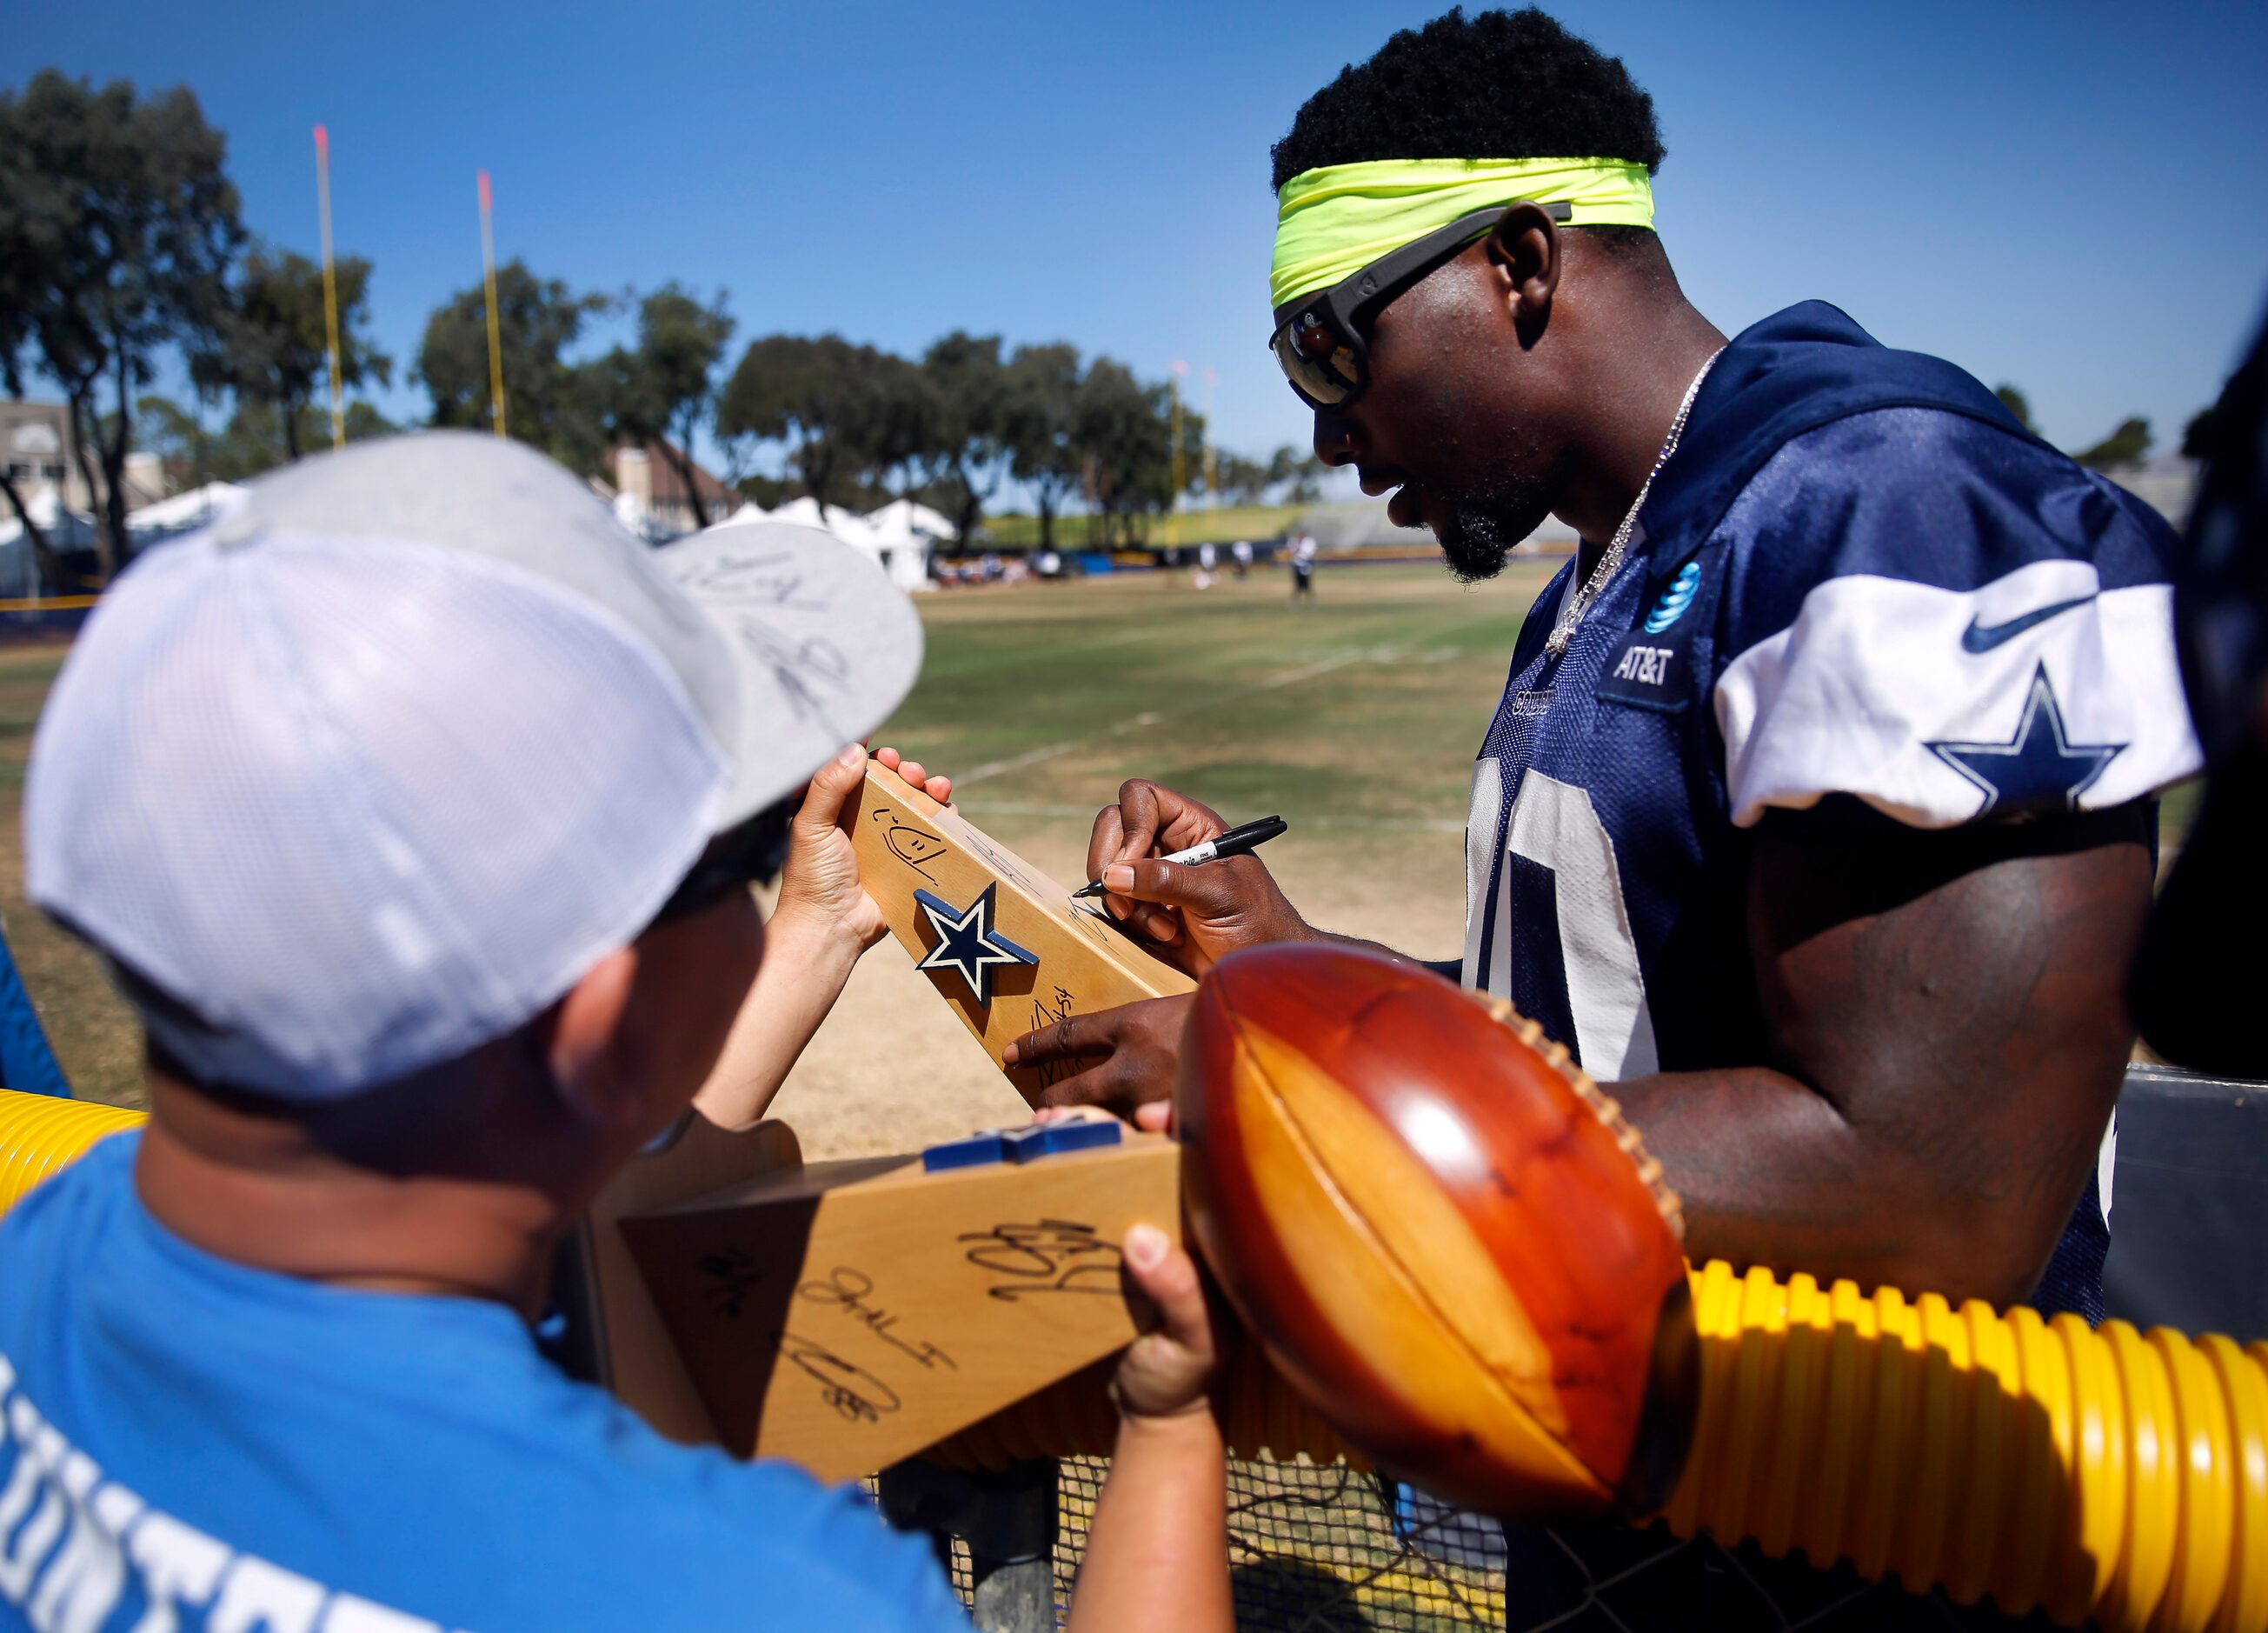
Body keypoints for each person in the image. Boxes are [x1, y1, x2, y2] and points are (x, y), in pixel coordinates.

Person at [1003, 13, 2198, 1624]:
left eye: (1327, 345)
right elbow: (1595, 1043)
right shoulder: (1612, 560)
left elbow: (1932, 1181)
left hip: (1883, 1531)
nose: (1318, 428)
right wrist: (1277, 959)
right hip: (1641, 1492)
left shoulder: (1889, 505)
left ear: (1515, 261)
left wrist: (1288, 1089)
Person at [0, 434, 1231, 1633]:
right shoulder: (752, 1593)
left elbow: (595, 1156)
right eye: (738, 856)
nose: (760, 887)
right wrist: (1170, 1426)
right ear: (598, 1012)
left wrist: (805, 925)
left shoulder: (48, 1242)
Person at [1288, 530, 1317, 600]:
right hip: (1297, 564)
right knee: (1297, 581)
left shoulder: (1309, 542)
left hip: (1306, 564)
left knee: (1306, 581)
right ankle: (1297, 596)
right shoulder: (1294, 541)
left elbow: (1309, 553)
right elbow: (1292, 551)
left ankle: (1309, 596)